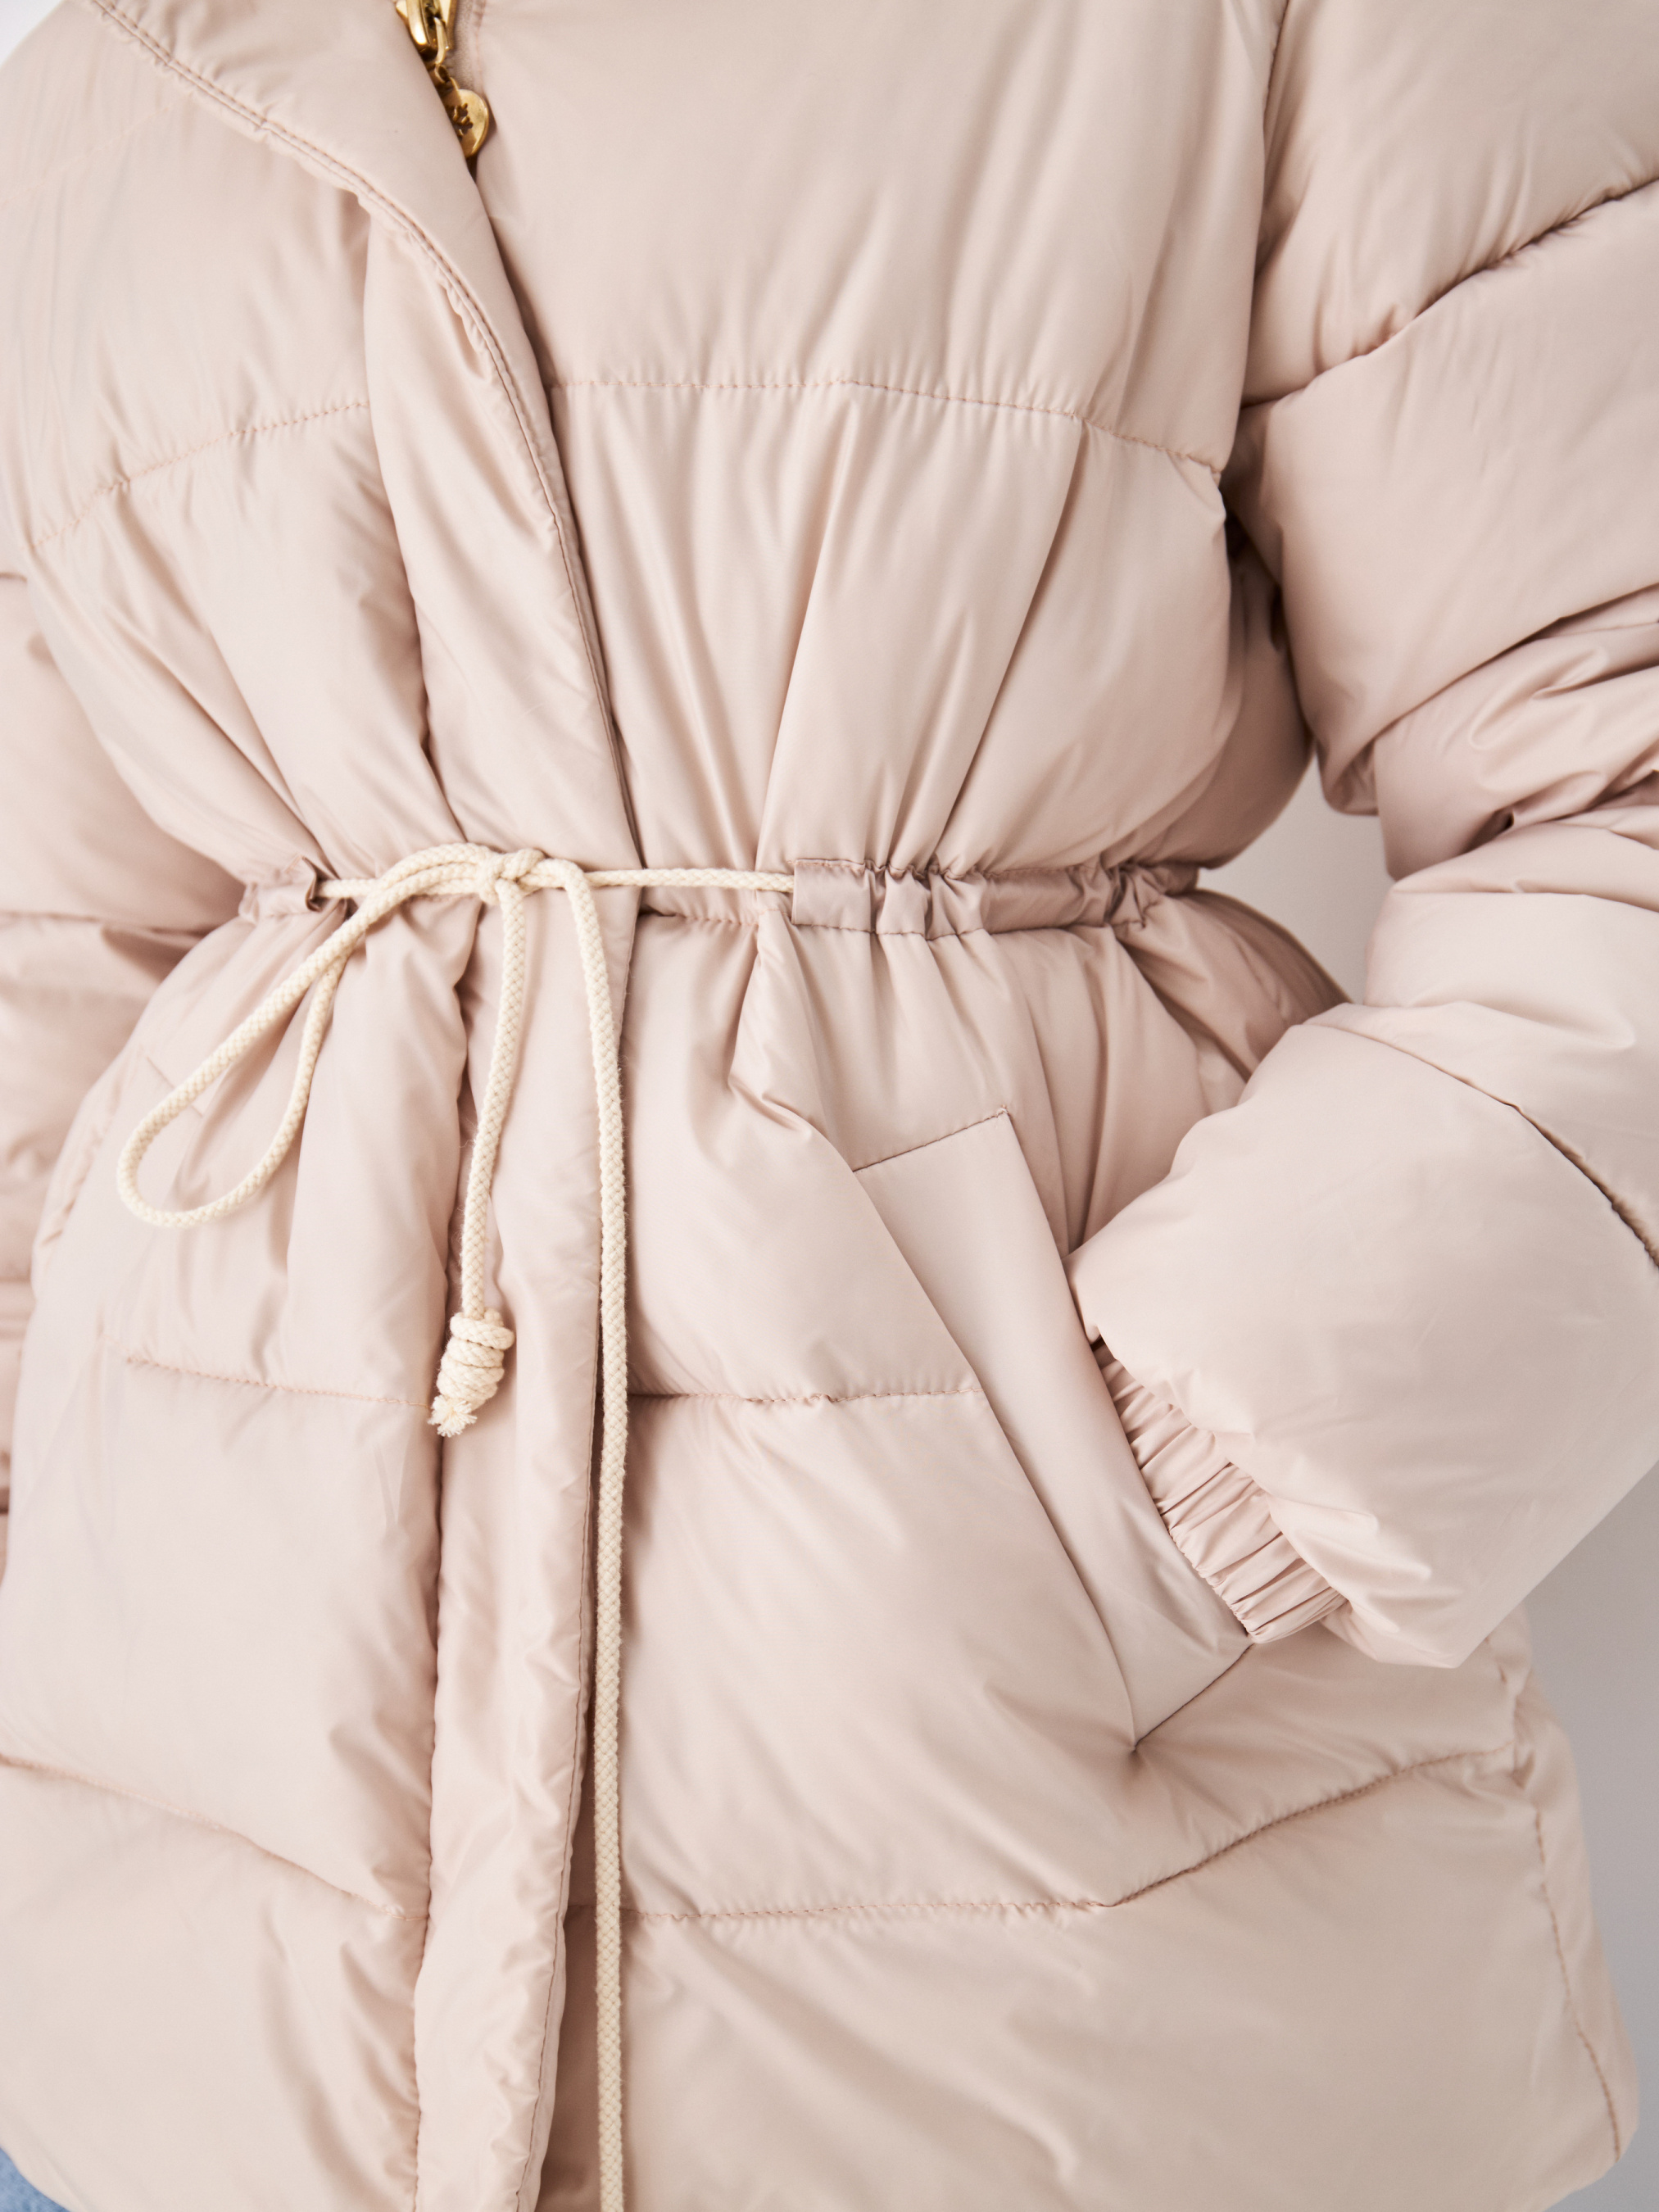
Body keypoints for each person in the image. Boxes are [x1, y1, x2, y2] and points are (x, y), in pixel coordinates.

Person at [2, 0, 1657, 2206]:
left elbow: (1618, 810)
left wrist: (1199, 1501)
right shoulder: (107, 58)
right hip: (179, 1939)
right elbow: (60, 934)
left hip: (1043, 1942)